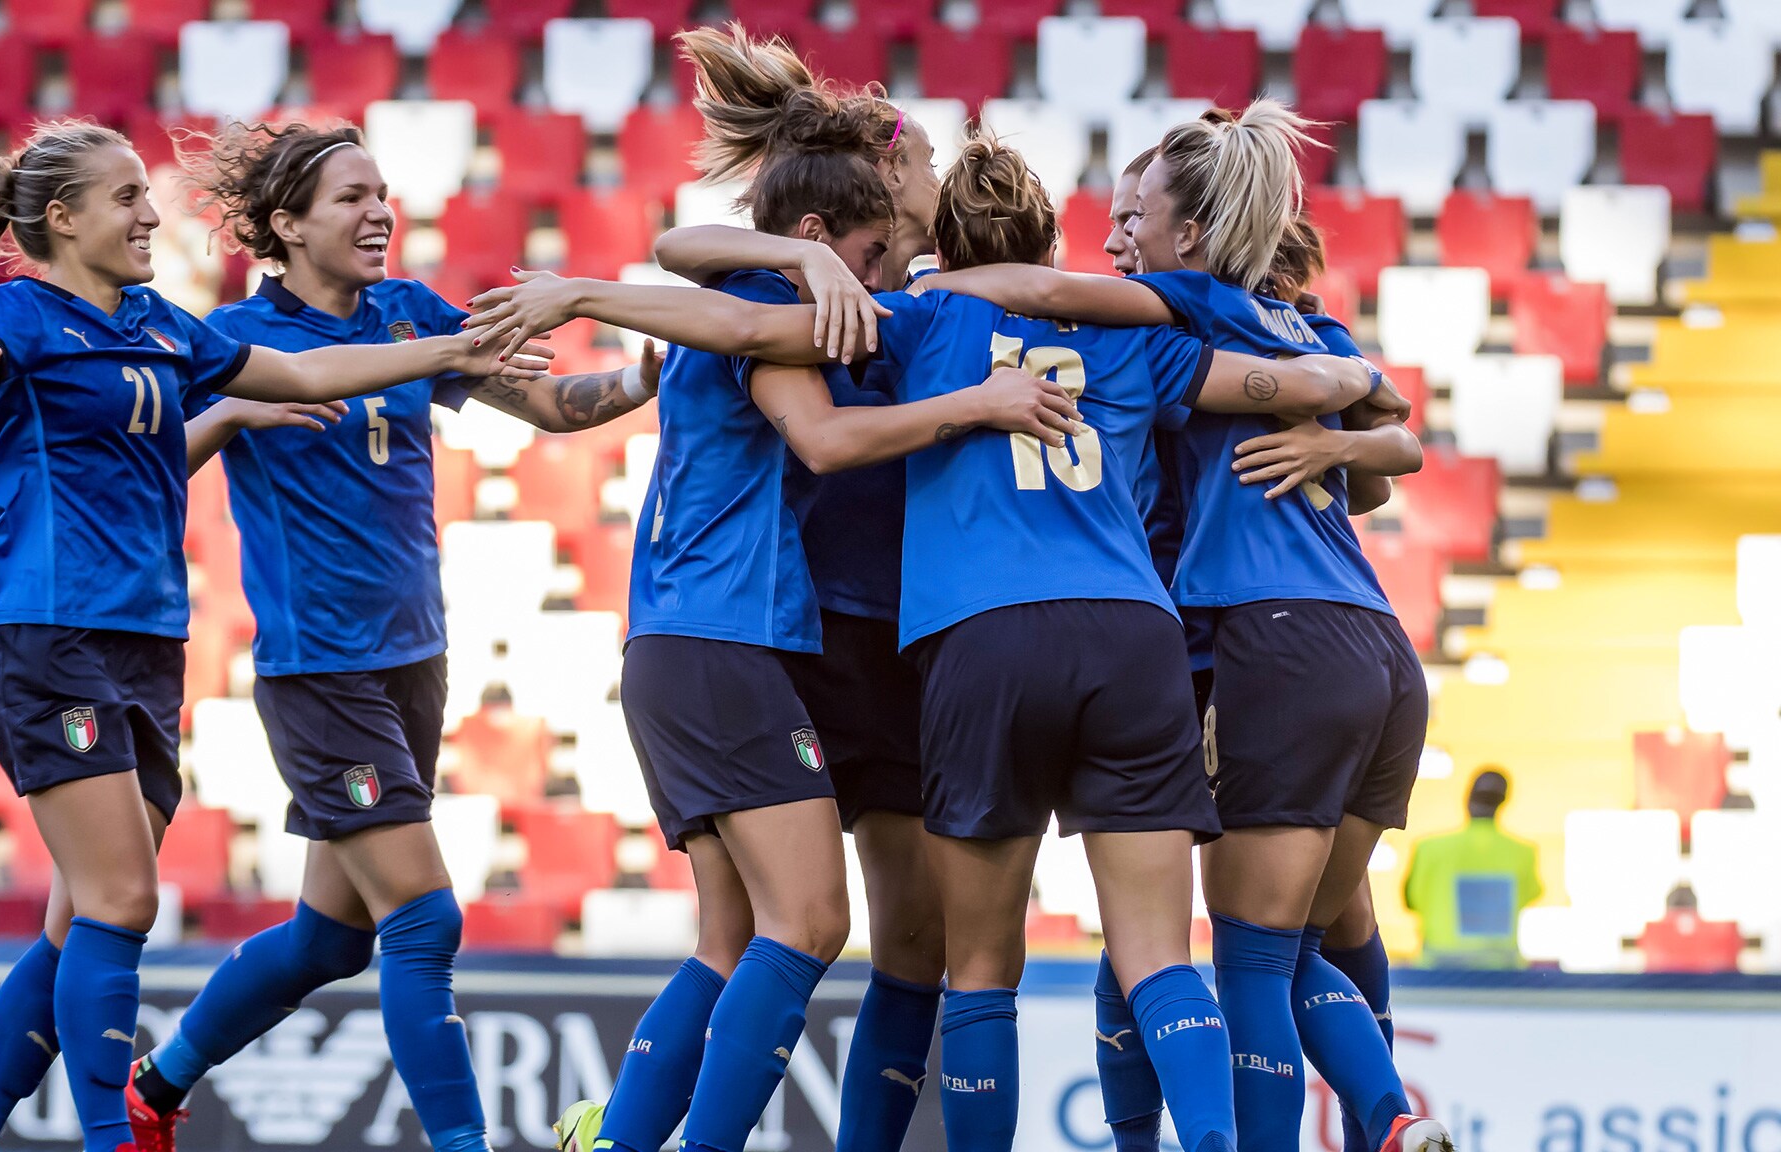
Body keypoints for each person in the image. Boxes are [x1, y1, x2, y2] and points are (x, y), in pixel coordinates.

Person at [463, 126, 1403, 1152]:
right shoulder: (1135, 333)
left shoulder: (910, 317)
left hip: (950, 647)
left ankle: (645, 1134)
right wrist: (1344, 399)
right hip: (1094, 637)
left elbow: (734, 321)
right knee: (1153, 954)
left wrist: (586, 295)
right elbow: (1309, 393)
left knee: (947, 961)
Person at [0, 119, 546, 1152]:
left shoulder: (161, 324)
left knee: (82, 920)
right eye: (126, 197)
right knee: (123, 900)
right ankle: (113, 1138)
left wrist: (435, 353)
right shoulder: (15, 315)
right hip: (48, 635)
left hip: (147, 642)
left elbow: (299, 376)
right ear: (62, 218)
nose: (149, 214)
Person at [114, 120, 662, 1152]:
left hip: (415, 666)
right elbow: (141, 473)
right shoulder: (234, 339)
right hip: (321, 675)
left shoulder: (411, 312)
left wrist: (638, 381)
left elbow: (550, 404)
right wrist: (228, 418)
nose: (379, 214)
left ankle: (157, 1085)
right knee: (423, 919)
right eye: (352, 198)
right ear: (288, 225)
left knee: (331, 940)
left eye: (382, 195)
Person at [911, 103, 1442, 1152]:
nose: (1116, 241)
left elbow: (1049, 293)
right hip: (1368, 643)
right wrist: (1343, 423)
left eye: (1133, 217)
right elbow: (1396, 452)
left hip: (1254, 637)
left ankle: (1357, 1124)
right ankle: (1385, 1121)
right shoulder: (1308, 327)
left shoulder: (1171, 316)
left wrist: (928, 287)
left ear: (1187, 234)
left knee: (1250, 956)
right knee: (1287, 939)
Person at [555, 25, 950, 1152]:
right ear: (861, 199)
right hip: (744, 639)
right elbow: (792, 396)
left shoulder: (839, 283)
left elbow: (697, 260)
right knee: (809, 922)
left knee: (746, 937)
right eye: (921, 160)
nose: (937, 173)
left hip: (744, 637)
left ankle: (622, 1139)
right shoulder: (785, 299)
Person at [1403, 769, 1542, 968]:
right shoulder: (1523, 853)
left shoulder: (1429, 849)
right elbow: (1531, 895)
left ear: (1468, 798)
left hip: (1439, 966)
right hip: (1500, 968)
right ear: (1503, 801)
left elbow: (1411, 900)